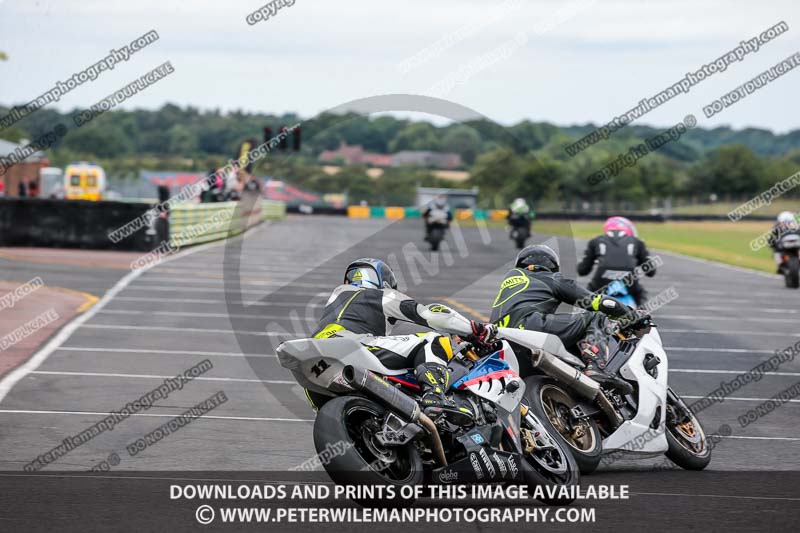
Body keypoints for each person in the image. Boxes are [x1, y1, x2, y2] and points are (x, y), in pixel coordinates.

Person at [311, 258, 496, 417]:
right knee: (433, 339)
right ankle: (434, 396)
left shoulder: (336, 299)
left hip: (315, 356)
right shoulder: (381, 294)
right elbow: (430, 315)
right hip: (351, 345)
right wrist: (474, 329)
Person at [490, 244, 637, 391]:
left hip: (497, 338)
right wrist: (631, 315)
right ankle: (596, 367)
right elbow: (600, 302)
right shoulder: (550, 278)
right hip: (530, 325)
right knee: (595, 317)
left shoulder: (509, 280)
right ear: (552, 266)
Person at [577, 216, 655, 306]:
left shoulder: (595, 241)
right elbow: (651, 272)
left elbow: (582, 270)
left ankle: (584, 313)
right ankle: (641, 313)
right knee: (640, 294)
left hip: (602, 279)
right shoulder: (637, 242)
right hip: (629, 279)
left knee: (589, 295)